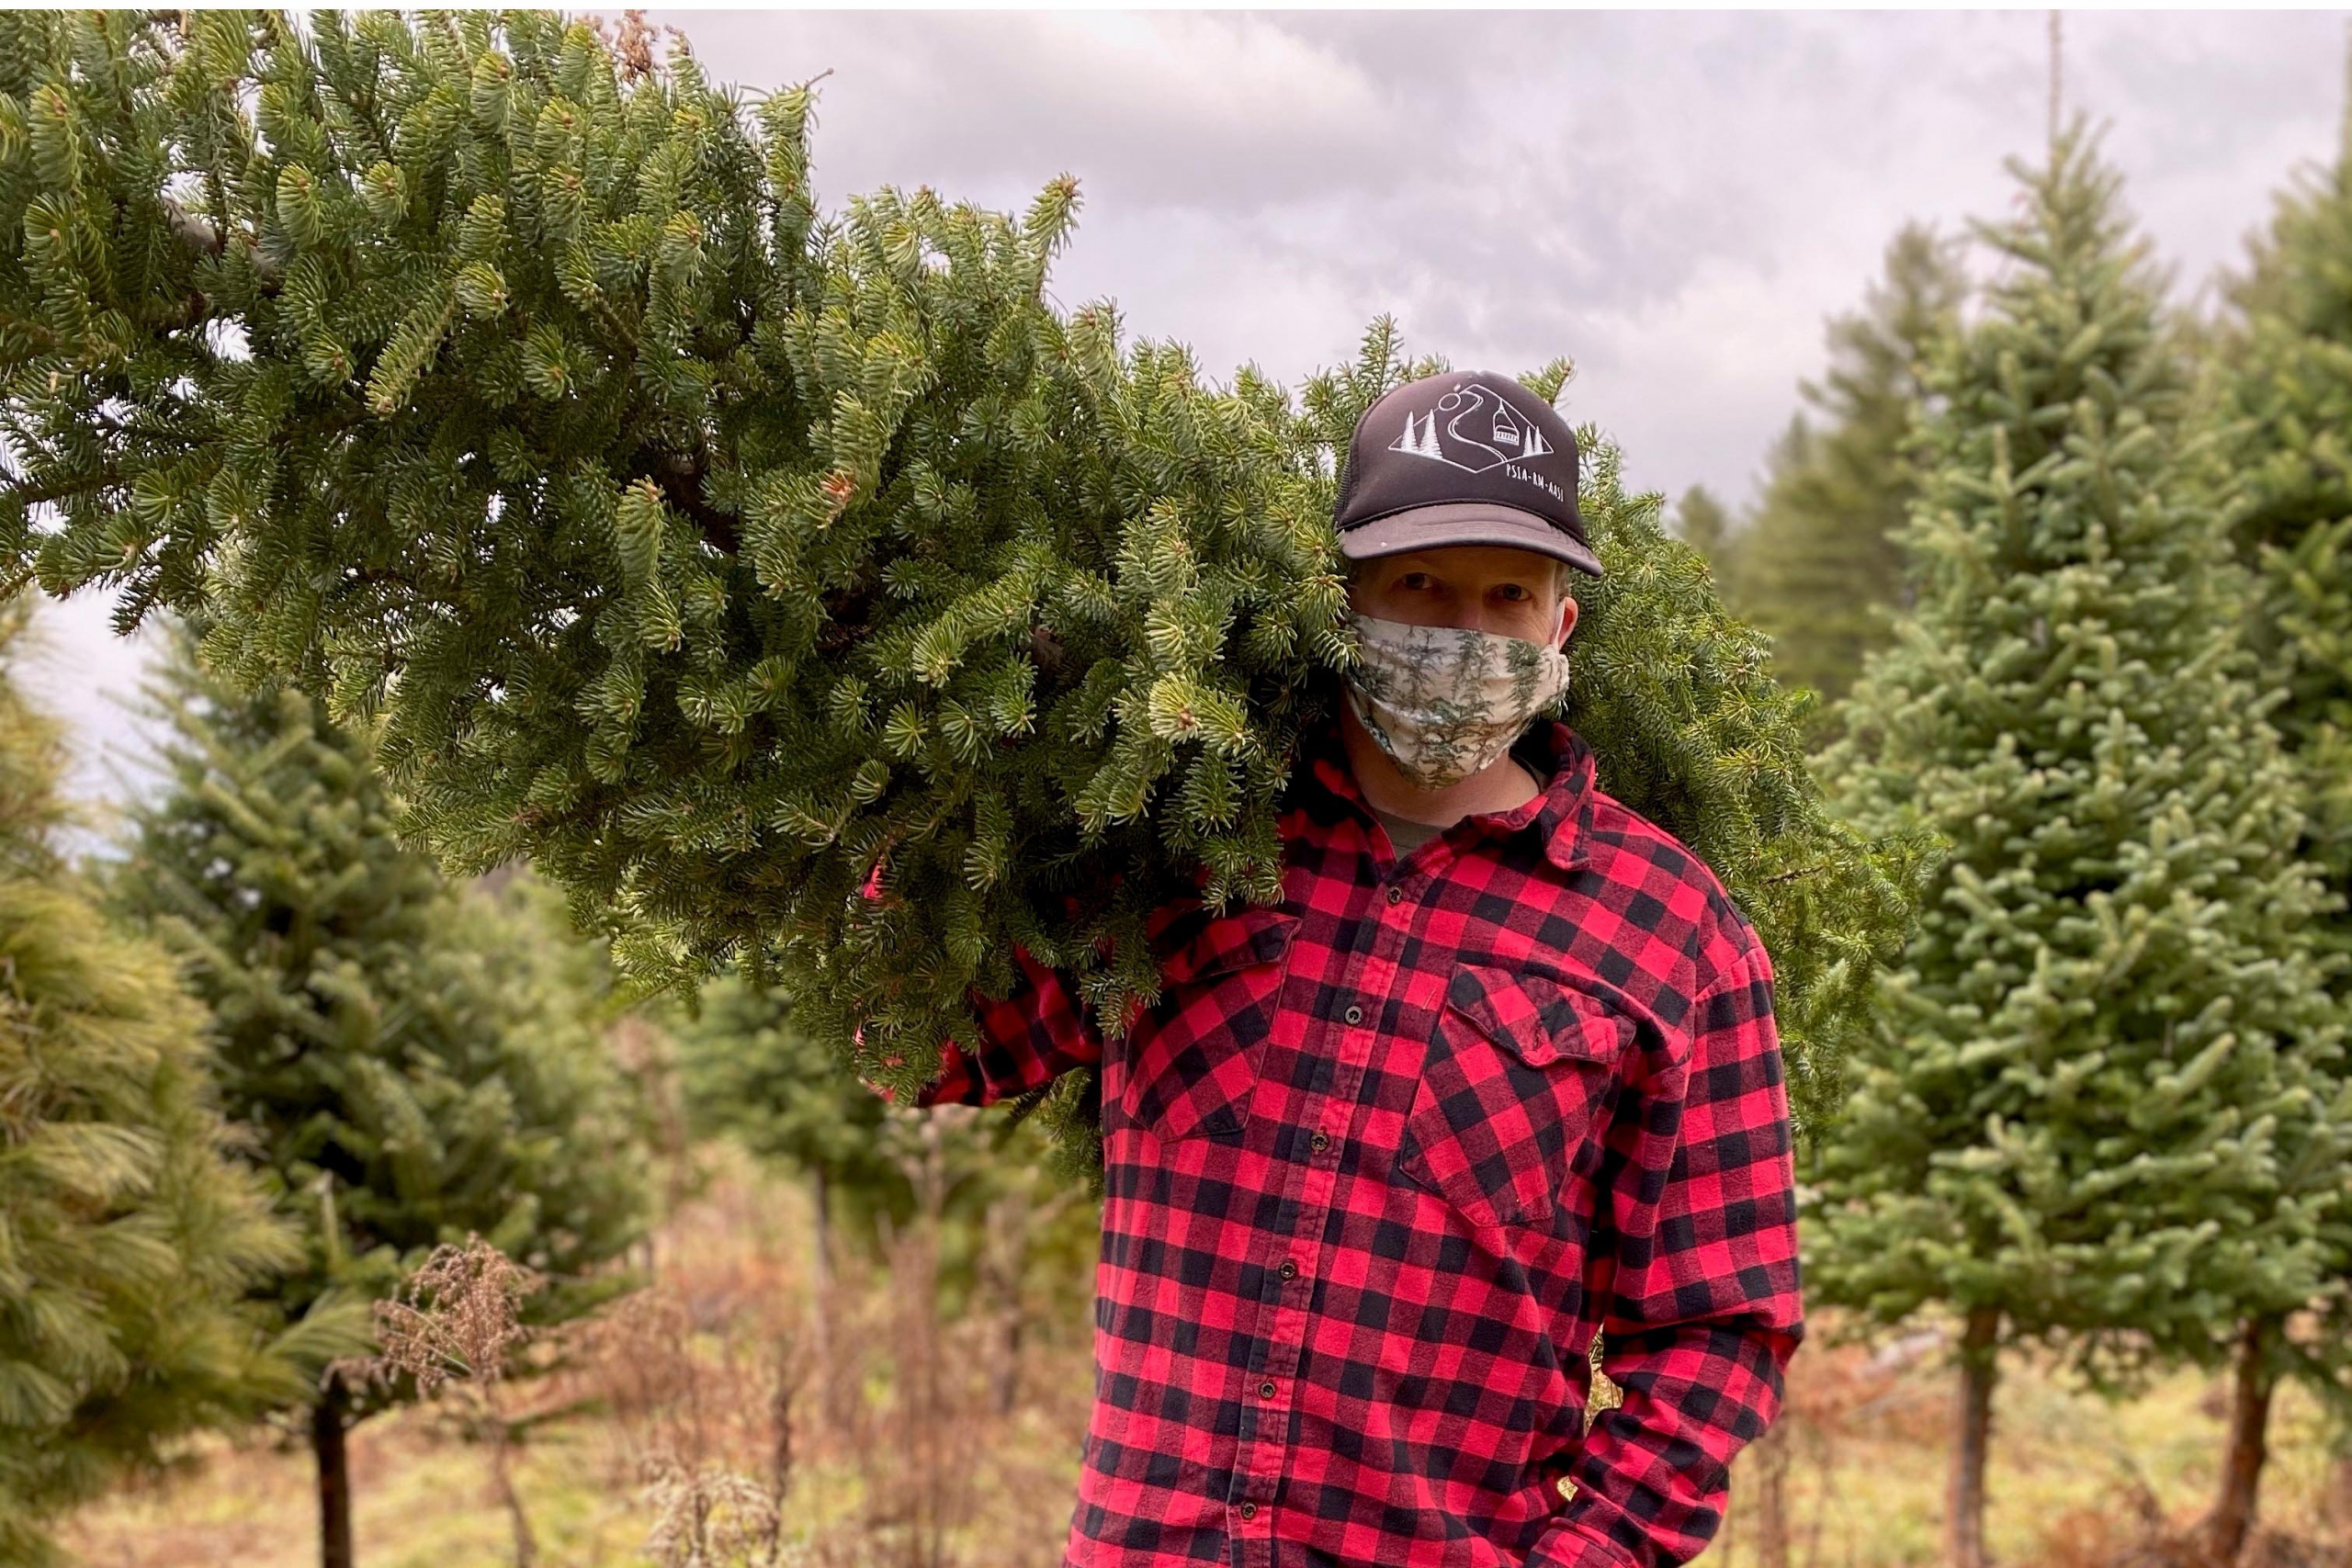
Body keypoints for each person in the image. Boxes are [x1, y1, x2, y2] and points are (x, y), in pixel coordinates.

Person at [901, 370, 1802, 1568]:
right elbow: (928, 1045)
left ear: (1558, 626)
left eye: (1507, 595)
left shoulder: (1672, 933)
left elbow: (1716, 1331)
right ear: (1346, 598)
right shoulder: (1182, 841)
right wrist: (941, 770)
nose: (1464, 633)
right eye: (1421, 585)